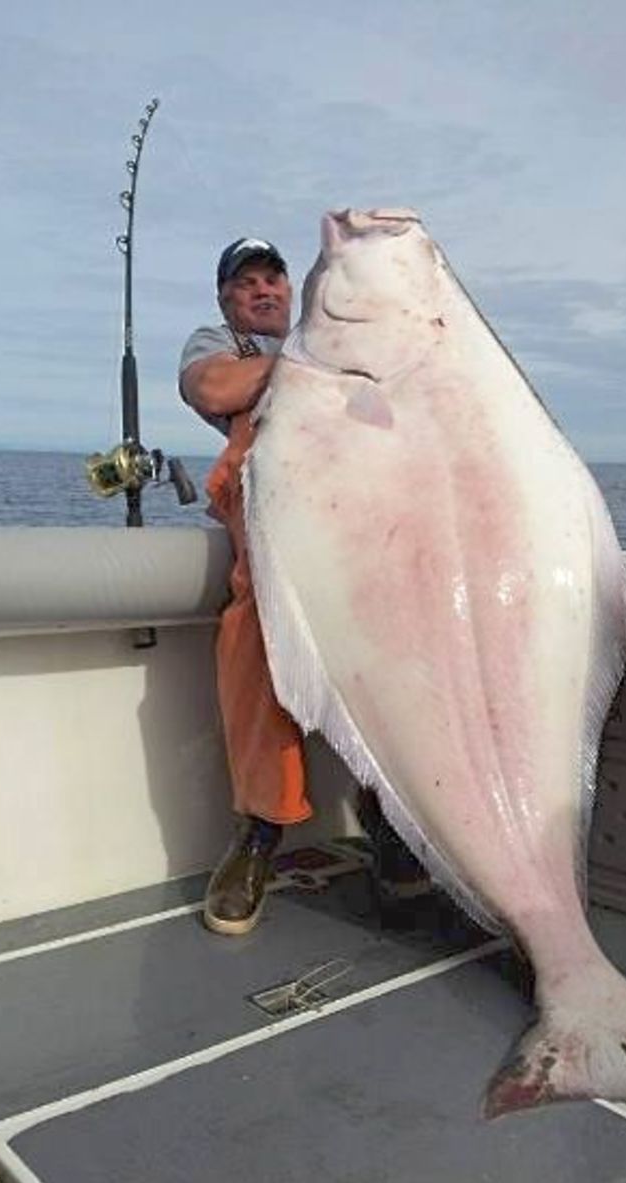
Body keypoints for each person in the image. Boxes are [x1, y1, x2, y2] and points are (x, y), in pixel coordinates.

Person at [180, 237, 429, 937]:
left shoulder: (322, 344)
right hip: (275, 544)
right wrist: (318, 363)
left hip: (359, 537)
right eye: (246, 283)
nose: (263, 291)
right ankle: (258, 832)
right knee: (254, 646)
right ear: (227, 301)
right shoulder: (215, 344)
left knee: (389, 660)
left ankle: (387, 818)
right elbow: (216, 388)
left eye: (273, 279)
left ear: (294, 291)